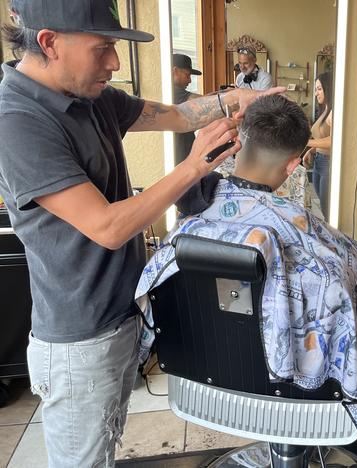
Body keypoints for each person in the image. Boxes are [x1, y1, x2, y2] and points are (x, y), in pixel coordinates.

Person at [0, 1, 281, 466]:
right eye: (103, 48)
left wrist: (236, 101)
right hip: (79, 339)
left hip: (120, 317)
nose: (113, 63)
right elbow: (107, 227)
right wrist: (194, 166)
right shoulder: (19, 122)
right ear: (49, 42)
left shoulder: (91, 96)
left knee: (105, 449)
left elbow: (176, 116)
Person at [135, 95, 357, 465]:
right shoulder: (306, 240)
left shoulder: (190, 227)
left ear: (238, 139)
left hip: (205, 386)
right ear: (293, 167)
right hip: (303, 398)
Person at [303, 71, 333, 219]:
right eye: (316, 89)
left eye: (319, 89)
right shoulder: (326, 109)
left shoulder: (334, 112)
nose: (316, 93)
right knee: (322, 206)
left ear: (329, 88)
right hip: (319, 161)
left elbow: (335, 141)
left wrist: (306, 142)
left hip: (328, 164)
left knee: (328, 212)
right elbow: (325, 138)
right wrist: (313, 150)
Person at [172, 53, 203, 165]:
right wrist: (230, 96)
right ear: (175, 71)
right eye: (187, 75)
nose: (189, 81)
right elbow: (202, 102)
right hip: (179, 158)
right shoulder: (172, 93)